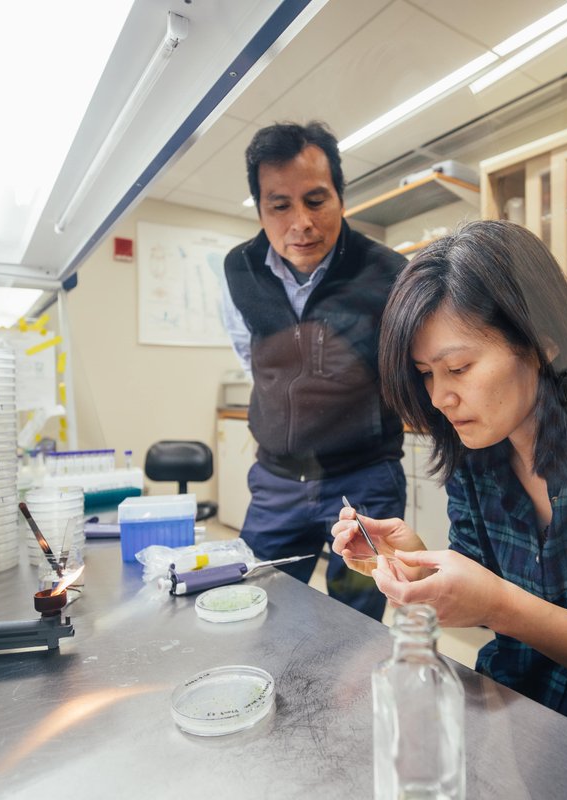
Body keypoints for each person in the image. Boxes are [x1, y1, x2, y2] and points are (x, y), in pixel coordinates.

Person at [332, 219, 567, 765]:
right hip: (511, 707)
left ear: (541, 343)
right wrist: (416, 565)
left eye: (459, 367)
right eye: (425, 374)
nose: (441, 396)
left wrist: (498, 603)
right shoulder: (478, 454)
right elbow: (485, 594)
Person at [220, 121, 407, 621]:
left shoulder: (388, 272)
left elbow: (407, 369)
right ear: (260, 208)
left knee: (357, 619)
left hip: (363, 482)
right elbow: (250, 353)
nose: (300, 222)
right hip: (278, 481)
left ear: (341, 198)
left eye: (316, 200)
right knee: (255, 605)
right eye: (279, 205)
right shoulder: (239, 268)